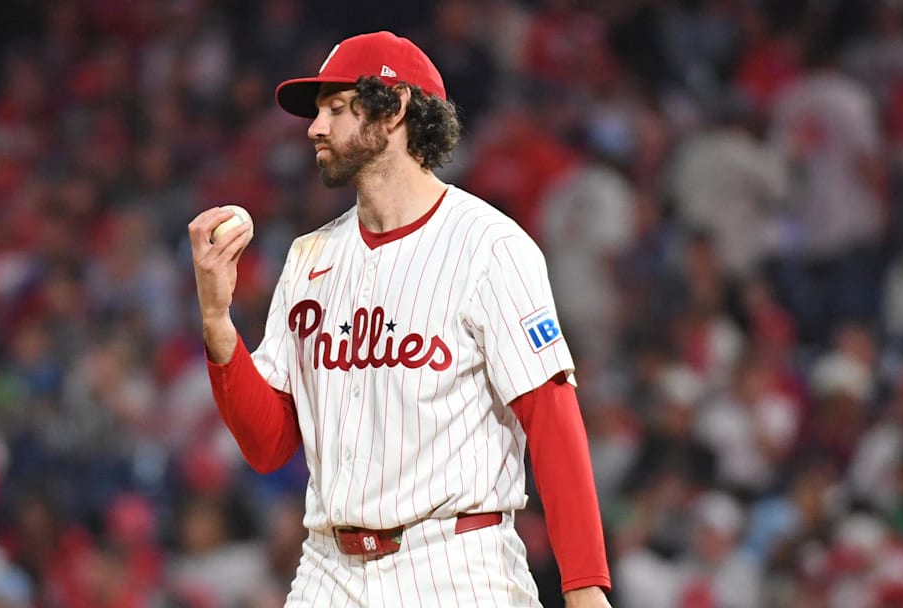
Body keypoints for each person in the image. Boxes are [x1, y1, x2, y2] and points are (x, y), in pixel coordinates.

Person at [189, 30, 611, 607]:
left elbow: (552, 418)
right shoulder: (310, 257)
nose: (315, 127)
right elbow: (269, 444)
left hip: (457, 564)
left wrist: (584, 588)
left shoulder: (489, 246)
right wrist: (218, 322)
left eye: (337, 109)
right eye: (319, 112)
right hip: (328, 567)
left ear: (394, 112)